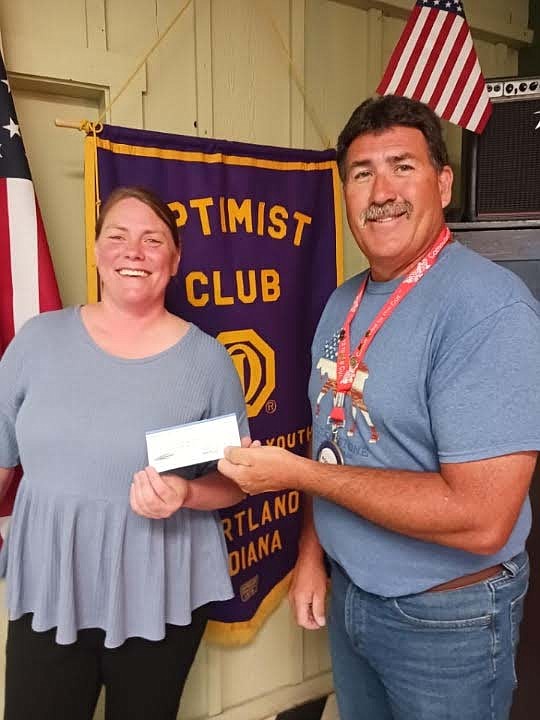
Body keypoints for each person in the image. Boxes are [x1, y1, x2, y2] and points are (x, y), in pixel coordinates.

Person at [218, 95, 540, 720]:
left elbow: (483, 519)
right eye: (362, 173)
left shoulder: (488, 312)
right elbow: (331, 439)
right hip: (353, 596)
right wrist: (311, 559)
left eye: (403, 166)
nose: (381, 190)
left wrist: (297, 477)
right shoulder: (344, 301)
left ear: (443, 183)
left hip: (449, 617)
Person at [0, 186, 250, 720]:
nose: (133, 252)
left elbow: (235, 482)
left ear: (174, 259)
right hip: (50, 586)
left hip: (161, 591)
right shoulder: (35, 342)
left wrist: (184, 491)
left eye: (152, 240)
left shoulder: (208, 361)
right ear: (96, 250)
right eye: (117, 236)